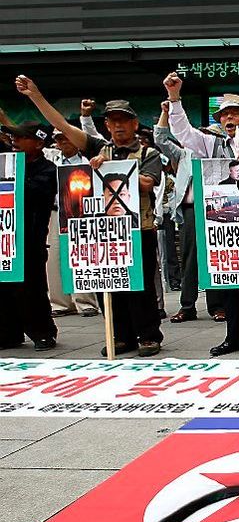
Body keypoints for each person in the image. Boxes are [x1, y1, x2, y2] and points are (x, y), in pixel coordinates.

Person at [17, 77, 164, 357]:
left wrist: (113, 167)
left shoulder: (148, 152)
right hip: (107, 228)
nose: (118, 125)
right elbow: (63, 126)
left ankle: (148, 335)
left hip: (139, 228)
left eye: (124, 120)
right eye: (113, 121)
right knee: (112, 283)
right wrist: (35, 96)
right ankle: (121, 336)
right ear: (106, 125)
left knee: (141, 284)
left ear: (134, 124)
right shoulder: (98, 148)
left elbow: (147, 182)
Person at [164, 72, 239, 356]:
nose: (230, 119)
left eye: (236, 114)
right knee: (229, 282)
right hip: (225, 229)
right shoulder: (209, 144)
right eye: (225, 115)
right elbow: (182, 132)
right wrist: (174, 98)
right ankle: (233, 336)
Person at [153, 101, 228, 324]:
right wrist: (165, 113)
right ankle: (188, 306)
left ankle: (217, 306)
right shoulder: (183, 153)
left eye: (207, 136)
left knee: (213, 257)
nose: (201, 140)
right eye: (200, 135)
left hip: (215, 208)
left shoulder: (219, 154)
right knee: (188, 258)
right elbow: (160, 139)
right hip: (189, 210)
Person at [0, 122, 58, 351]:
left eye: (22, 138)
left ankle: (43, 332)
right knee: (4, 288)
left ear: (39, 142)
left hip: (31, 238)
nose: (15, 141)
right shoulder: (6, 164)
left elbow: (36, 193)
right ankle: (8, 333)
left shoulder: (47, 169)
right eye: (14, 137)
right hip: (6, 236)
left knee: (32, 287)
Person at [44, 124, 100, 318]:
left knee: (81, 256)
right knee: (54, 258)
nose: (63, 142)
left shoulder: (88, 159)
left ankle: (86, 302)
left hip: (82, 213)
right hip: (55, 211)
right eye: (59, 139)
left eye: (66, 137)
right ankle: (60, 303)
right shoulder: (51, 158)